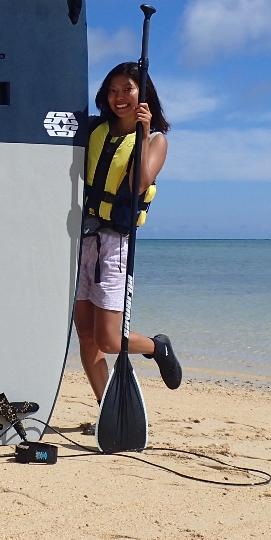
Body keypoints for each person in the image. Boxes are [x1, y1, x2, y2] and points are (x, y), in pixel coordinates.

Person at [74, 61, 181, 405]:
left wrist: (143, 133)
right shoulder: (94, 129)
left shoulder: (156, 141)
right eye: (112, 90)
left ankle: (157, 347)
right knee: (86, 336)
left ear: (143, 94)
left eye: (127, 90)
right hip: (81, 239)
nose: (118, 97)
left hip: (115, 244)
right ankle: (106, 409)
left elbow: (138, 185)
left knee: (107, 339)